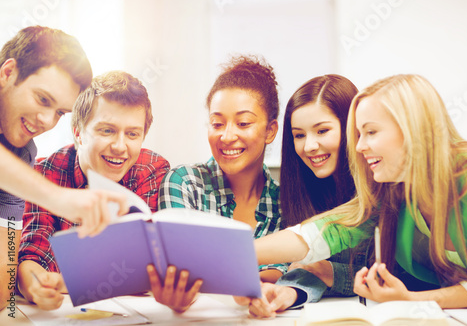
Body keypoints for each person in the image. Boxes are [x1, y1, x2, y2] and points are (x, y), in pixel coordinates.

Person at [254, 74, 467, 311]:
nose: (359, 147)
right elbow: (329, 232)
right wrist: (242, 252)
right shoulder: (396, 188)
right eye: (359, 135)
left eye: (370, 132)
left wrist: (410, 300)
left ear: (412, 129)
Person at [16, 71, 170, 310]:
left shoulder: (151, 169)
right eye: (107, 130)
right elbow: (34, 255)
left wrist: (68, 279)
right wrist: (36, 284)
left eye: (132, 134)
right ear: (78, 132)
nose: (120, 147)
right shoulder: (45, 172)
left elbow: (144, 268)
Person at [0, 26, 128, 311]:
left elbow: (2, 288)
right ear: (7, 73)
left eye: (59, 112)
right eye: (42, 99)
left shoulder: (20, 157)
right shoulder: (26, 174)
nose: (46, 121)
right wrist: (60, 199)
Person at [151, 55, 281, 313]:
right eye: (217, 123)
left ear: (270, 130)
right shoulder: (183, 182)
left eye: (243, 123)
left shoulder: (285, 201)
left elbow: (291, 270)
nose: (227, 135)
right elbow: (180, 269)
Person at [236, 75, 365, 317]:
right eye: (299, 135)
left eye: (322, 130)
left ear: (352, 127)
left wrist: (330, 272)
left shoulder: (378, 186)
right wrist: (290, 292)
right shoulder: (305, 190)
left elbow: (388, 272)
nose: (309, 146)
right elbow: (310, 267)